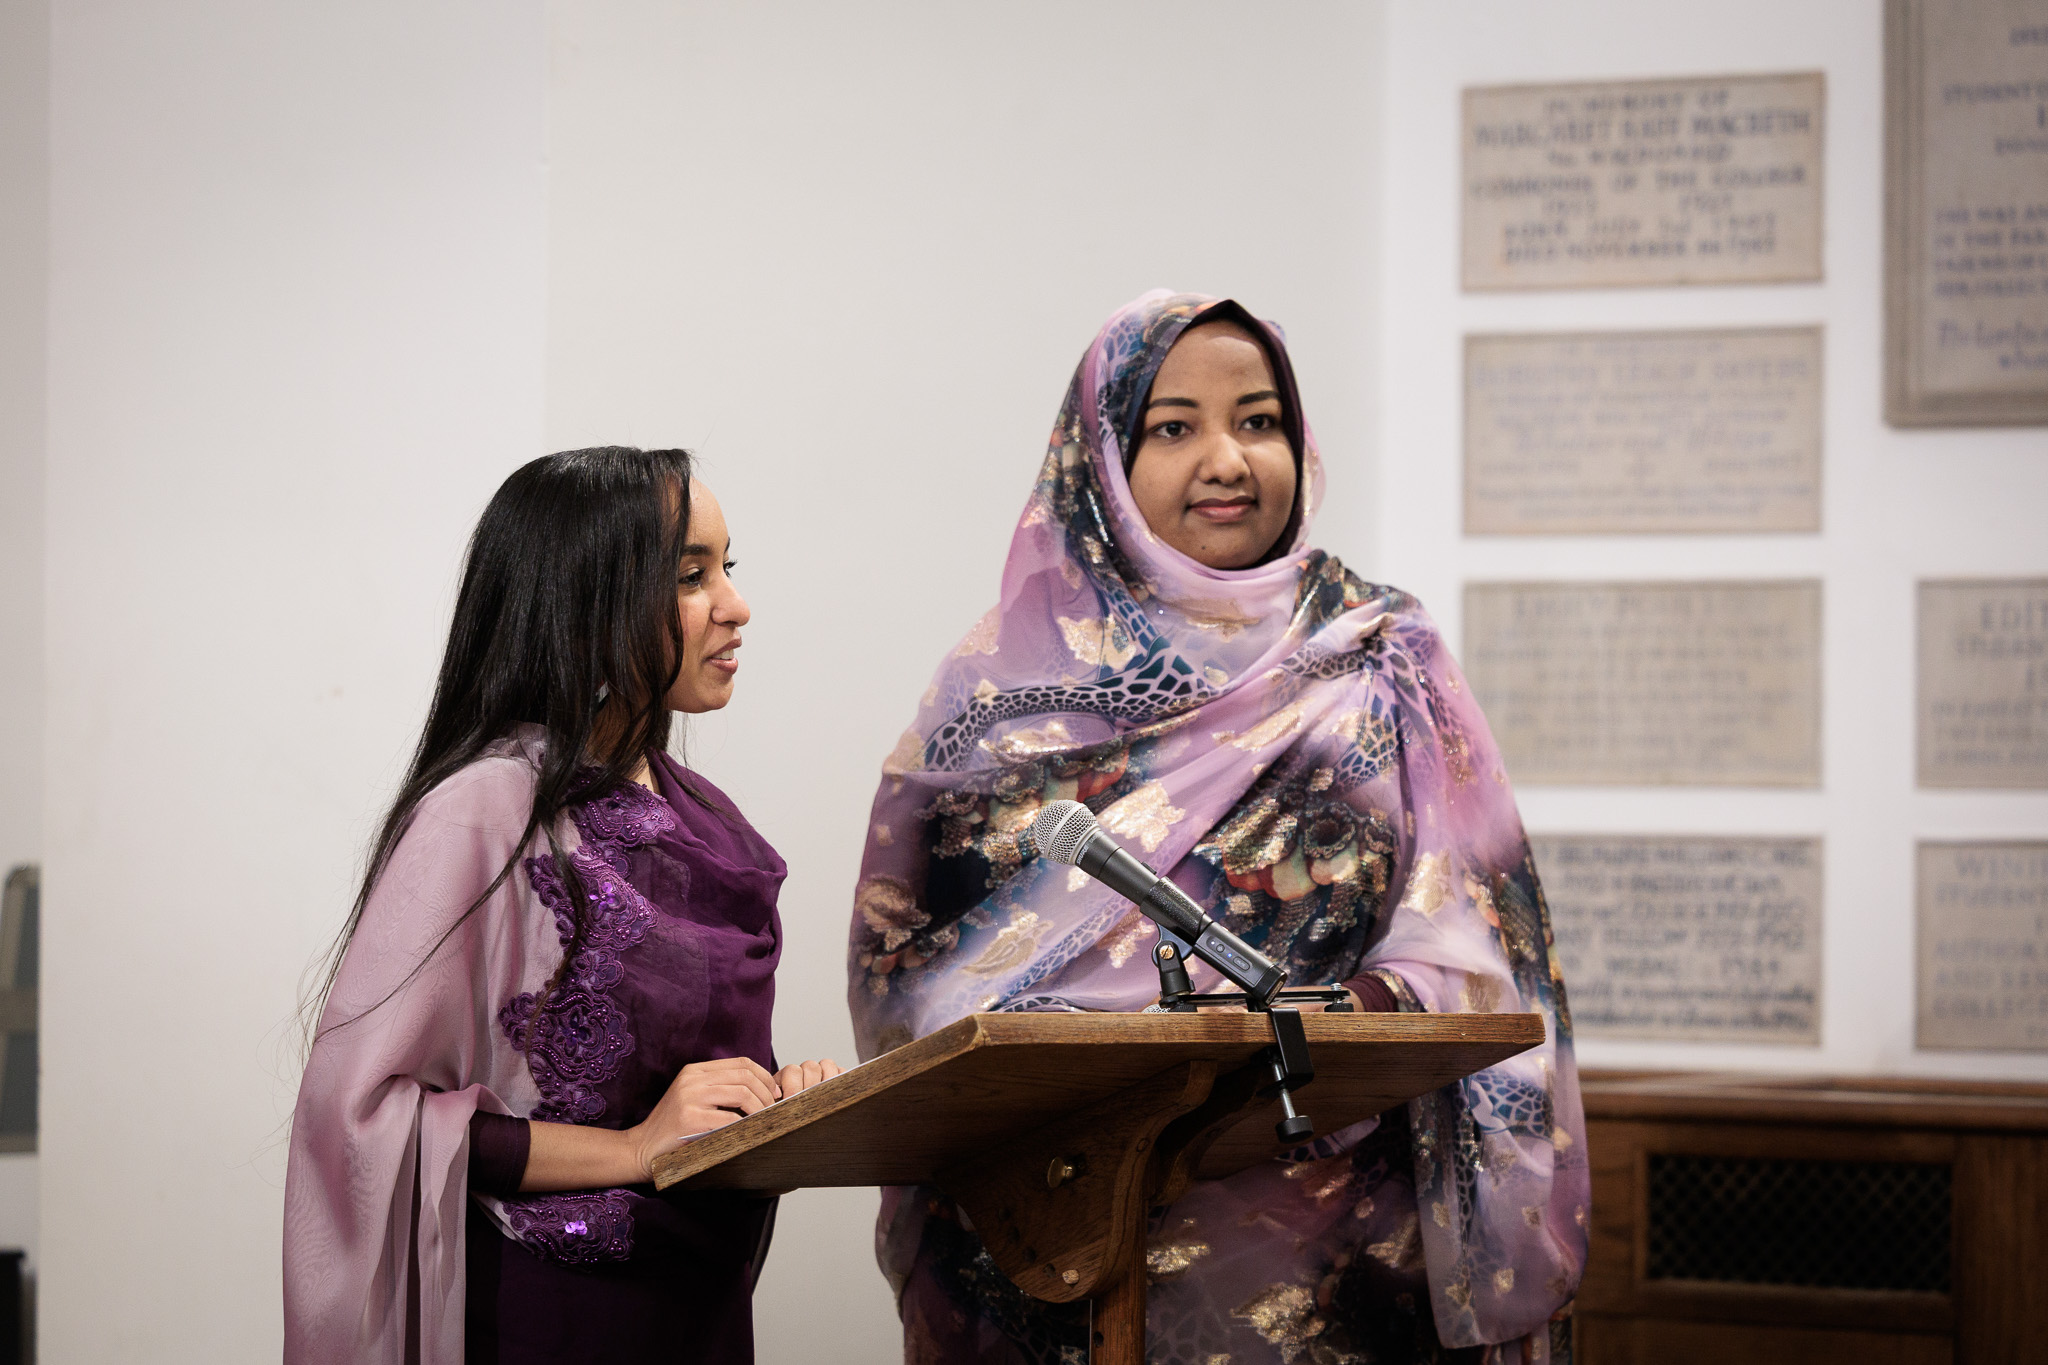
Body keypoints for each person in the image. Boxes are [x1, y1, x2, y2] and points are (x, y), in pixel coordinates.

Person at [848, 293, 1586, 1364]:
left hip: (1344, 1250)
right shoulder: (994, 692)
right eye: (1173, 426)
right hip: (1065, 1248)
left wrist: (1361, 1009)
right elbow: (905, 977)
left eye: (1257, 420)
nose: (1227, 459)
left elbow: (1478, 926)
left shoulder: (1378, 653)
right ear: (1098, 457)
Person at [286, 446, 839, 1365]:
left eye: (727, 569)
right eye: (689, 575)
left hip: (692, 1311)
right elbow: (364, 1114)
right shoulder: (486, 810)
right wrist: (631, 1152)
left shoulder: (704, 820)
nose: (735, 606)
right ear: (588, 598)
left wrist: (783, 1103)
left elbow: (683, 1100)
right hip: (550, 1319)